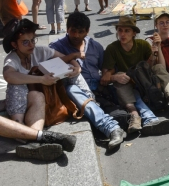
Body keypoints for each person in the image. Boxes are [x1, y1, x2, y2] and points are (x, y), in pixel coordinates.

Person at [0, 16, 76, 161]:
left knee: (36, 95)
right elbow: (8, 75)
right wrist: (42, 79)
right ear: (15, 44)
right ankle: (43, 137)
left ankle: (31, 144)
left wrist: (76, 66)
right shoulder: (12, 59)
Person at [49, 12, 126, 149]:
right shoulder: (56, 47)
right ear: (67, 29)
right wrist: (72, 59)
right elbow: (50, 69)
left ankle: (143, 116)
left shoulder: (95, 46)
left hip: (101, 87)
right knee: (71, 89)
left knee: (124, 83)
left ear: (87, 31)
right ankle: (112, 128)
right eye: (73, 31)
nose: (76, 35)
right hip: (77, 90)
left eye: (81, 31)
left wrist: (108, 74)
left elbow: (108, 67)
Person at [100, 16, 169, 134]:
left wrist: (156, 49)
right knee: (120, 76)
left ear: (134, 33)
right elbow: (105, 76)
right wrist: (114, 77)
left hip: (146, 83)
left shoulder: (142, 44)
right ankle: (134, 116)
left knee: (158, 67)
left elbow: (156, 66)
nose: (122, 34)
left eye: (127, 31)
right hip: (129, 86)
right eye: (120, 30)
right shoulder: (112, 48)